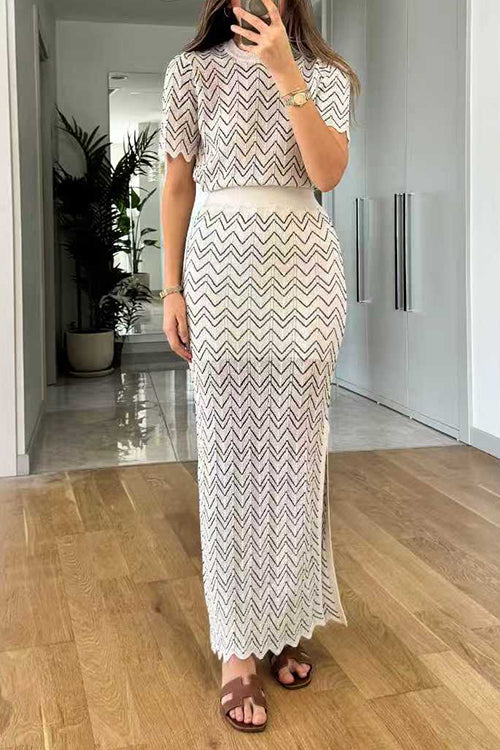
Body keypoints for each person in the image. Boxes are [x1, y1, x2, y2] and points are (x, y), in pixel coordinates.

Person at [158, 0, 359, 733]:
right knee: (230, 463)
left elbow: (327, 173)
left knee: (297, 462)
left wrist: (285, 73)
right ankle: (238, 648)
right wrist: (171, 288)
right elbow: (177, 183)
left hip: (304, 276)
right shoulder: (190, 73)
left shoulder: (326, 75)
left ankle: (287, 618)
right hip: (220, 273)